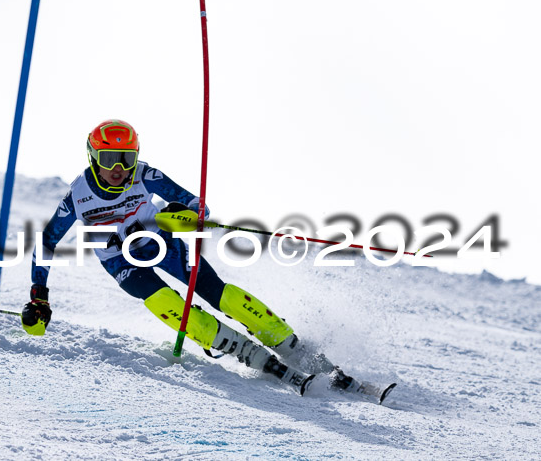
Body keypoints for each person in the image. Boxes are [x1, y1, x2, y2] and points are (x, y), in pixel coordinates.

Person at [21, 119, 356, 396]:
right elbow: (47, 241)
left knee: (217, 293)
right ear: (94, 157)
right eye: (110, 159)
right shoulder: (77, 195)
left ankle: (289, 344)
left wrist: (179, 214)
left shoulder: (145, 175)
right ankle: (243, 350)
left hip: (159, 242)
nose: (119, 169)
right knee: (167, 302)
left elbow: (198, 205)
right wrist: (40, 296)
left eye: (127, 157)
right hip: (120, 261)